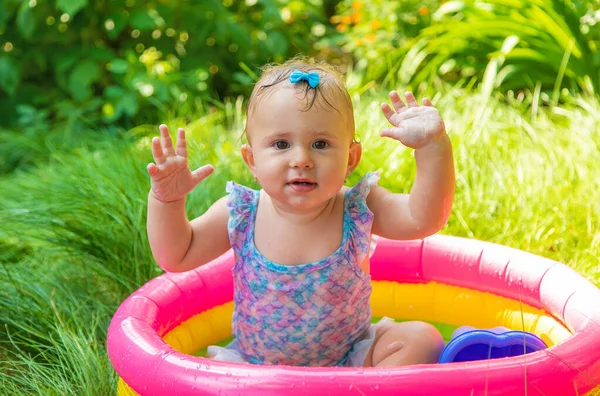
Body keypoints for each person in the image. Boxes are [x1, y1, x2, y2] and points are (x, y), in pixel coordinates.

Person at [146, 58, 454, 368]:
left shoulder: (358, 207)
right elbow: (177, 255)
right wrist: (167, 201)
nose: (302, 159)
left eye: (320, 144)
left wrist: (433, 147)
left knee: (421, 339)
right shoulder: (241, 213)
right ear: (252, 160)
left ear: (350, 158)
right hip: (258, 371)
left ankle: (365, 391)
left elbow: (422, 219)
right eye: (281, 144)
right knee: (203, 379)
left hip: (350, 364)